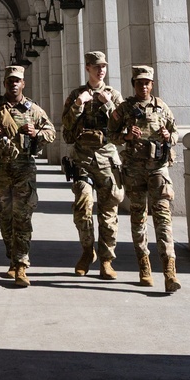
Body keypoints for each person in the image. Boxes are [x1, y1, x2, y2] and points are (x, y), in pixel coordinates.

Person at [0, 64, 55, 288]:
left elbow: (51, 132)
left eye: (17, 80)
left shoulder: (33, 110)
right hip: (0, 171)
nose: (13, 84)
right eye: (10, 80)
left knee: (23, 218)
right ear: (5, 83)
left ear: (23, 83)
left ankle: (21, 266)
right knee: (5, 218)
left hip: (24, 170)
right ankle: (12, 255)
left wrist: (37, 133)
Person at [109, 64, 181, 294]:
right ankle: (144, 266)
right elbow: (110, 134)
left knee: (163, 220)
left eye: (147, 82)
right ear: (134, 84)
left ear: (152, 84)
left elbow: (176, 131)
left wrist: (170, 136)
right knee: (139, 219)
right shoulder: (124, 108)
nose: (143, 86)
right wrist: (126, 135)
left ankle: (170, 272)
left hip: (158, 170)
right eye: (139, 82)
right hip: (134, 170)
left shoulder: (162, 107)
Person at [61, 49, 124, 279]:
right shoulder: (77, 94)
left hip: (107, 160)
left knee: (108, 212)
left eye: (104, 66)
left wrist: (108, 105)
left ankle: (106, 260)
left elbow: (124, 127)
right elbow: (66, 127)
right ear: (87, 68)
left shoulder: (113, 95)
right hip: (83, 160)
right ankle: (87, 252)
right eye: (96, 66)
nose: (101, 70)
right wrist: (79, 103)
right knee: (82, 206)